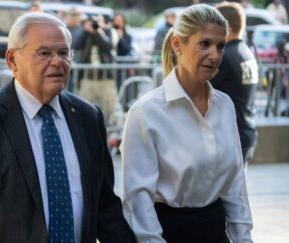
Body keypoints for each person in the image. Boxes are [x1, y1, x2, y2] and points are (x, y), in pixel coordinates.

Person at [0, 12, 137, 242]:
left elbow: (104, 207)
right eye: (44, 53)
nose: (57, 61)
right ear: (13, 60)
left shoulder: (87, 118)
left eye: (64, 52)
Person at [121, 4, 253, 243]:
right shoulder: (146, 113)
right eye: (205, 44)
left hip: (215, 232)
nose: (215, 55)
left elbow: (235, 187)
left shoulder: (225, 106)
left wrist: (243, 239)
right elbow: (138, 201)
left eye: (220, 46)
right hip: (169, 233)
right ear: (178, 44)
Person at [211, 1, 258, 166]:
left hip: (231, 138)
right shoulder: (246, 52)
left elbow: (200, 88)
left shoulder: (225, 57)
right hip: (245, 133)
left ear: (227, 28)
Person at [75, 15, 119, 123]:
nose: (95, 25)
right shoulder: (86, 34)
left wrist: (98, 32)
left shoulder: (108, 31)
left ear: (103, 22)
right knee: (84, 108)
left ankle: (110, 132)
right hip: (88, 77)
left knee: (110, 108)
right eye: (93, 23)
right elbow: (75, 44)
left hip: (105, 77)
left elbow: (109, 46)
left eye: (98, 22)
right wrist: (85, 31)